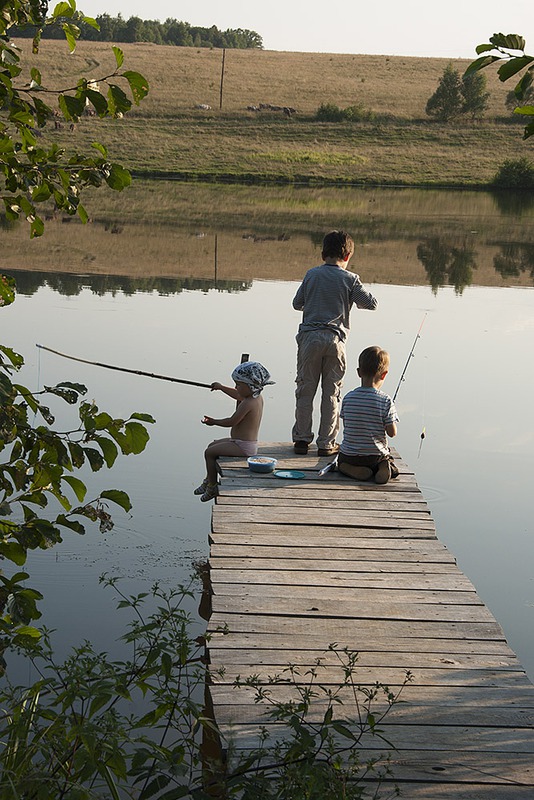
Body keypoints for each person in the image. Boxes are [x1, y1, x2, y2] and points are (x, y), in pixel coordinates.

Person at [292, 230, 378, 456]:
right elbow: (370, 304)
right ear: (348, 256)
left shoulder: (311, 275)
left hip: (310, 338)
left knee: (305, 389)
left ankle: (301, 440)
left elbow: (297, 303)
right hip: (336, 340)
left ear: (322, 254)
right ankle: (326, 443)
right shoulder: (350, 279)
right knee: (332, 393)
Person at [194, 361, 274, 502]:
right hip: (239, 442)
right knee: (212, 445)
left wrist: (214, 422)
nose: (236, 387)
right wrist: (221, 387)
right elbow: (237, 394)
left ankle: (212, 486)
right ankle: (209, 479)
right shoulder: (254, 397)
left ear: (250, 385)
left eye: (238, 385)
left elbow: (231, 421)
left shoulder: (248, 403)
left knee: (209, 453)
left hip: (243, 447)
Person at [338, 345, 399, 485]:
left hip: (350, 456)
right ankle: (383, 467)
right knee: (388, 460)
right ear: (384, 374)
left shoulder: (348, 398)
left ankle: (348, 468)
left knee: (341, 462)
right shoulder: (385, 400)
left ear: (359, 372)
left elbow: (347, 425)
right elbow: (392, 433)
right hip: (375, 457)